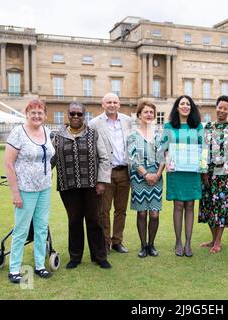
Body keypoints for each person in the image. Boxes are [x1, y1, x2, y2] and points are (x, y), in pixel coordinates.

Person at [51, 102, 112, 269]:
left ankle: (99, 256)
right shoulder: (58, 136)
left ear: (84, 116)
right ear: (68, 115)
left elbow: (104, 158)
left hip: (92, 185)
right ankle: (75, 257)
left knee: (94, 220)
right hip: (68, 185)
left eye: (79, 114)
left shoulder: (93, 134)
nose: (75, 117)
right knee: (74, 221)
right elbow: (51, 159)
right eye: (72, 114)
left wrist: (101, 181)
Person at [5, 99, 55, 283]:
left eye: (40, 112)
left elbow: (49, 158)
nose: (36, 115)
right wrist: (15, 193)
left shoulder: (47, 132)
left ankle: (40, 265)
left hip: (44, 187)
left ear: (45, 115)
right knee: (21, 230)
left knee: (42, 227)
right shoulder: (18, 132)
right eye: (33, 112)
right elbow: (9, 164)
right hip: (25, 189)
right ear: (26, 114)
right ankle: (14, 269)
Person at [88, 93, 132, 254]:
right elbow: (91, 152)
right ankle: (105, 242)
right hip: (105, 174)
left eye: (115, 102)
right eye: (109, 102)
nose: (112, 105)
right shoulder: (94, 123)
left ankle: (117, 241)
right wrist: (97, 178)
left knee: (121, 210)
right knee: (103, 211)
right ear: (103, 104)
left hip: (124, 172)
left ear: (119, 104)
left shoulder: (127, 121)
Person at [163, 95, 203, 257]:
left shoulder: (198, 126)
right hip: (176, 170)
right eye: (182, 104)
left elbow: (204, 148)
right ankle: (178, 241)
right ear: (177, 107)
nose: (185, 106)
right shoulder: (169, 126)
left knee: (190, 205)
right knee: (178, 204)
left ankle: (188, 243)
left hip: (193, 171)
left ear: (191, 107)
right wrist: (167, 160)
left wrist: (203, 166)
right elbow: (164, 147)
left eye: (188, 104)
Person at [198, 95, 228, 254]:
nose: (221, 110)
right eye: (219, 107)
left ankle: (218, 241)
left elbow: (227, 152)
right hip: (207, 173)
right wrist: (203, 170)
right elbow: (203, 150)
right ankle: (213, 238)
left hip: (224, 174)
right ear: (216, 108)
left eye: (225, 108)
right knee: (208, 205)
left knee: (222, 206)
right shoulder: (207, 127)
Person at [127, 101, 165, 258]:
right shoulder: (132, 135)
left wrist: (156, 174)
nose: (149, 115)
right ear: (139, 115)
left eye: (151, 112)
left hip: (157, 176)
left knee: (154, 214)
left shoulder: (160, 136)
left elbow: (164, 157)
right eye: (146, 112)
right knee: (142, 213)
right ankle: (143, 245)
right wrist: (145, 174)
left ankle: (151, 244)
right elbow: (132, 158)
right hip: (139, 177)